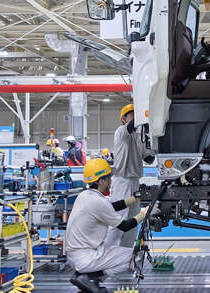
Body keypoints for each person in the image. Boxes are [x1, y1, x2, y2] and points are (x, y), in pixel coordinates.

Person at [66, 158, 160, 293]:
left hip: (74, 256)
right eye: (109, 178)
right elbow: (125, 226)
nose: (110, 182)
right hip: (86, 258)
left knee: (117, 251)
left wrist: (134, 199)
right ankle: (89, 278)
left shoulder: (84, 196)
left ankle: (87, 277)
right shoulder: (99, 202)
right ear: (101, 181)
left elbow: (111, 206)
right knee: (135, 255)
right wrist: (145, 213)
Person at [104, 104, 155, 249]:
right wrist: (145, 112)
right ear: (123, 119)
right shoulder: (121, 132)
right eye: (131, 113)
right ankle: (109, 252)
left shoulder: (138, 138)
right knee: (119, 220)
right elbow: (134, 124)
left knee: (133, 221)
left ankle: (125, 254)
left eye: (135, 113)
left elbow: (149, 158)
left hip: (134, 183)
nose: (134, 115)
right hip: (122, 182)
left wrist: (155, 141)